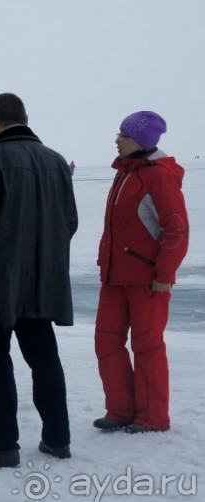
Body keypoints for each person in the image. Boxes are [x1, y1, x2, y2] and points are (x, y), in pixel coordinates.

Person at [0, 93, 77, 471]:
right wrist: (45, 260)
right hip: (42, 278)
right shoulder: (56, 161)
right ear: (25, 118)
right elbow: (69, 222)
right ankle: (58, 438)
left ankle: (2, 445)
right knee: (44, 358)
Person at [94, 111, 188, 434]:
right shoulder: (125, 172)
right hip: (114, 276)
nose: (117, 140)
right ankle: (120, 410)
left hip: (148, 280)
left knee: (147, 346)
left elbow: (176, 229)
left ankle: (152, 417)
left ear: (142, 140)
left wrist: (165, 274)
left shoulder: (158, 176)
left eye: (123, 135)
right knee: (106, 341)